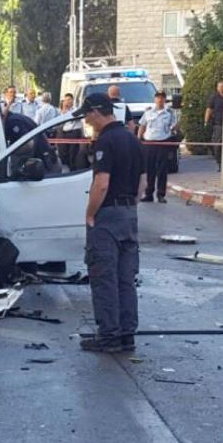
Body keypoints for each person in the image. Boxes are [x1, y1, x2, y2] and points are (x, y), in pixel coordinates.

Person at [72, 93, 144, 353]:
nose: (87, 121)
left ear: (97, 112)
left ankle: (109, 335)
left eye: (87, 116)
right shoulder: (132, 140)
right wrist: (130, 207)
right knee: (126, 278)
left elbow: (102, 183)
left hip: (109, 216)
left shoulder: (106, 141)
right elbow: (142, 184)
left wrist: (91, 213)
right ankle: (127, 335)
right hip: (129, 215)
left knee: (104, 277)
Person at [138, 91, 177, 203]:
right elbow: (142, 126)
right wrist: (139, 138)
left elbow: (173, 128)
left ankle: (161, 195)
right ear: (155, 99)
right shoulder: (148, 112)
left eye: (162, 98)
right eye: (158, 98)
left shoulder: (169, 113)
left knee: (162, 170)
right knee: (149, 170)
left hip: (163, 143)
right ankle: (148, 194)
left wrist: (176, 126)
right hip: (149, 144)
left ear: (165, 100)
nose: (160, 100)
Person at [205, 81, 223, 170]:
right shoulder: (214, 97)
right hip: (218, 125)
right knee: (217, 145)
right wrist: (206, 121)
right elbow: (209, 109)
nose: (221, 88)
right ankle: (219, 163)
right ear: (217, 88)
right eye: (220, 86)